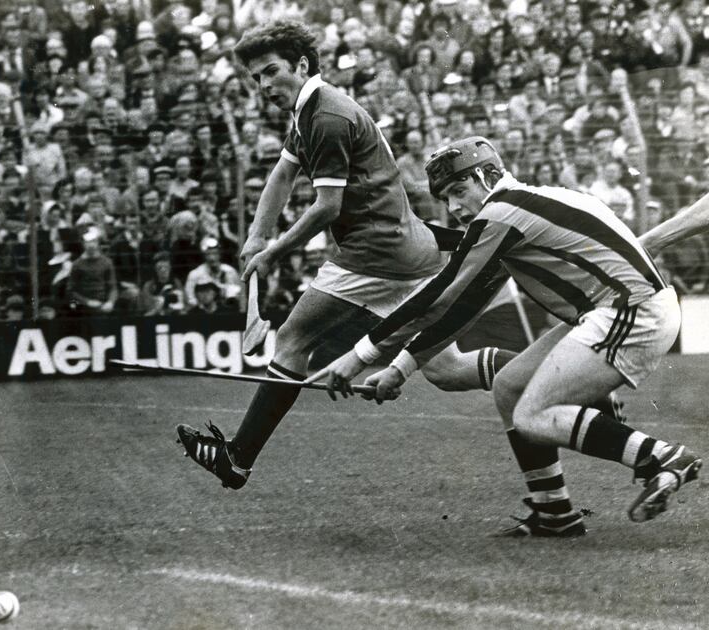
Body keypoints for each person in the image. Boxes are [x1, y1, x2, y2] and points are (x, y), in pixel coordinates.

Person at [175, 22, 521, 492]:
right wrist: (255, 236)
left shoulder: (327, 117)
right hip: (407, 252)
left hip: (373, 256)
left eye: (271, 71)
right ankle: (552, 372)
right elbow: (282, 175)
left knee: (292, 338)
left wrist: (274, 252)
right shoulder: (310, 111)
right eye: (256, 78)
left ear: (301, 65)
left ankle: (237, 459)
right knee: (448, 371)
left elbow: (327, 207)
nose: (263, 86)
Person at [310, 136, 701, 536]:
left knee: (531, 416)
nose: (454, 207)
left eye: (459, 190)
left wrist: (359, 355)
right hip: (616, 309)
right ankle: (555, 513)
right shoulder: (518, 207)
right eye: (445, 198)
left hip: (632, 311)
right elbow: (463, 307)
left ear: (488, 175)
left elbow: (442, 296)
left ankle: (662, 458)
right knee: (510, 386)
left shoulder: (502, 213)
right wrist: (399, 369)